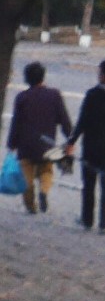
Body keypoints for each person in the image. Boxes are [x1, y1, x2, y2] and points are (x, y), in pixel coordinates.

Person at [66, 59, 105, 232]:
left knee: (88, 184)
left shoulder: (92, 95)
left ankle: (87, 220)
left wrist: (71, 142)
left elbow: (82, 121)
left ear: (102, 74)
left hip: (91, 145)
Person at [6, 61, 73, 215]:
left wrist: (11, 144)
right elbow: (64, 120)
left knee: (26, 180)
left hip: (26, 145)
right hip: (47, 145)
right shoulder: (54, 95)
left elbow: (16, 123)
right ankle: (44, 190)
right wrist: (70, 139)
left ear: (26, 78)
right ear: (43, 77)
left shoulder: (22, 97)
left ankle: (31, 207)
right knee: (46, 171)